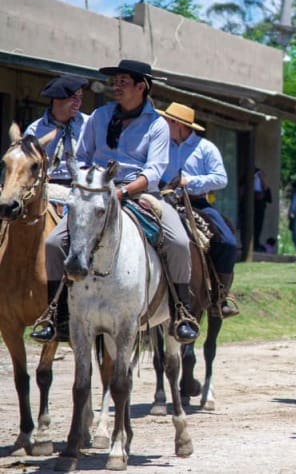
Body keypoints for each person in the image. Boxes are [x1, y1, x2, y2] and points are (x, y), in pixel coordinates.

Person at [34, 59, 198, 343]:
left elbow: (154, 170)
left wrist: (121, 193)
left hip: (137, 192)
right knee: (52, 242)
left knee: (179, 242)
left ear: (141, 87)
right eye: (115, 81)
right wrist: (92, 185)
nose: (116, 87)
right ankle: (56, 315)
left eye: (123, 82)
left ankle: (181, 310)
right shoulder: (99, 115)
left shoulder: (157, 125)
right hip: (95, 191)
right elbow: (83, 158)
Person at [159, 102, 240, 318]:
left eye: (167, 121)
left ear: (178, 124)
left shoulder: (205, 148)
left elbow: (221, 179)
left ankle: (221, 295)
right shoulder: (160, 144)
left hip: (195, 202)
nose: (163, 124)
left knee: (228, 242)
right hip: (161, 200)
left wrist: (188, 181)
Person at [24, 75, 90, 184]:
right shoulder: (34, 130)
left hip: (83, 185)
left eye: (80, 97)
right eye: (74, 97)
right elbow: (26, 164)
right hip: (47, 185)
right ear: (57, 99)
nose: (78, 103)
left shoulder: (89, 124)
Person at [253, 167, 271, 249]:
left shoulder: (261, 180)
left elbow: (266, 188)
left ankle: (256, 243)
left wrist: (261, 177)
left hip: (260, 206)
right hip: (251, 205)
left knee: (258, 226)